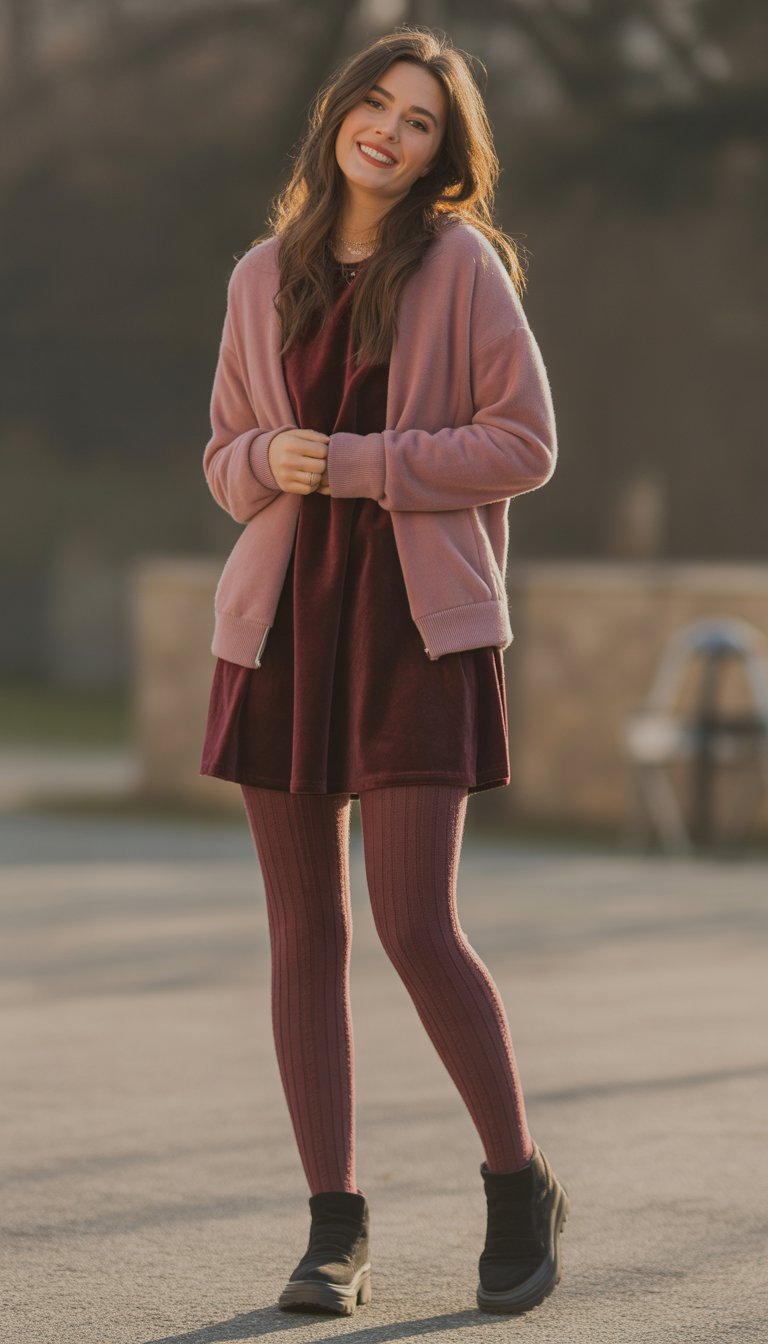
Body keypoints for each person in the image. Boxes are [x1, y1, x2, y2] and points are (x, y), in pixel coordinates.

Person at [199, 25, 569, 1319]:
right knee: (305, 935)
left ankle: (518, 1184)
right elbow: (226, 454)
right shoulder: (263, 273)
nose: (391, 131)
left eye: (421, 121)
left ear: (440, 157)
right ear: (339, 117)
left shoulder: (462, 268)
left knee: (415, 926)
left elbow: (524, 443)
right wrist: (268, 466)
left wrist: (358, 463)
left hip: (416, 630)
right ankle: (333, 1227)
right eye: (377, 104)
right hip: (283, 629)